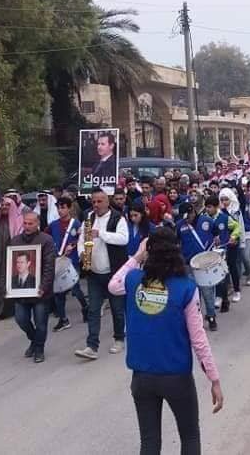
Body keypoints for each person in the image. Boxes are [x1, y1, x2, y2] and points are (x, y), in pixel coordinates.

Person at [109, 229, 224, 455]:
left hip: (142, 376)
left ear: (149, 251)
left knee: (149, 442)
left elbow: (113, 285)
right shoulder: (186, 287)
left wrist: (136, 256)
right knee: (189, 436)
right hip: (176, 377)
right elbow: (198, 339)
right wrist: (214, 379)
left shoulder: (133, 280)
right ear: (177, 250)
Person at [75, 188, 130, 360]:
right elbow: (81, 241)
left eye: (100, 201)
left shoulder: (117, 218)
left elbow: (123, 239)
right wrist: (81, 253)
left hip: (113, 272)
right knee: (93, 310)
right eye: (93, 202)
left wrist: (102, 234)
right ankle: (92, 346)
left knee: (117, 309)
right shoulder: (88, 218)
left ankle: (119, 339)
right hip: (94, 272)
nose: (96, 205)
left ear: (107, 201)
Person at [8, 212, 56, 363]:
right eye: (25, 223)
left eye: (31, 223)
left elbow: (49, 266)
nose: (27, 226)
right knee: (21, 319)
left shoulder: (46, 240)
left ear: (37, 224)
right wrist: (7, 287)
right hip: (20, 291)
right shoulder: (15, 241)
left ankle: (39, 349)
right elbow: (9, 267)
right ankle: (34, 341)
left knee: (41, 322)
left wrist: (44, 286)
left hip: (40, 291)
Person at [46, 197, 89, 332]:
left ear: (69, 208)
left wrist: (75, 244)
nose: (60, 210)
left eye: (63, 207)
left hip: (72, 261)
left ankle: (85, 307)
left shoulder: (76, 224)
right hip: (58, 261)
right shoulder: (53, 225)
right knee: (59, 291)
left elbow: (83, 239)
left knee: (75, 289)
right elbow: (46, 237)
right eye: (58, 207)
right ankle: (63, 319)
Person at [177, 202, 218, 330]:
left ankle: (211, 316)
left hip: (205, 263)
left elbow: (216, 233)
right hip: (188, 263)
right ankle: (196, 318)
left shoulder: (207, 221)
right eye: (185, 217)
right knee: (193, 293)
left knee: (207, 291)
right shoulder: (180, 225)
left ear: (193, 211)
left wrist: (217, 239)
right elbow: (177, 242)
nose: (187, 219)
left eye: (189, 215)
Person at [0, 196, 23, 319]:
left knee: (8, 284)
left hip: (12, 258)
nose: (4, 207)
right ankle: (0, 308)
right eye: (2, 205)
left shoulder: (18, 221)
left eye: (7, 205)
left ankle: (3, 311)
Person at [218, 188, 245, 304]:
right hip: (222, 243)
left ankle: (237, 290)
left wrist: (241, 241)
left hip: (233, 242)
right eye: (222, 199)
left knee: (232, 266)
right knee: (221, 269)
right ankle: (222, 293)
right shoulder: (218, 211)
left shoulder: (236, 210)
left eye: (226, 199)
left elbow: (240, 226)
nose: (224, 202)